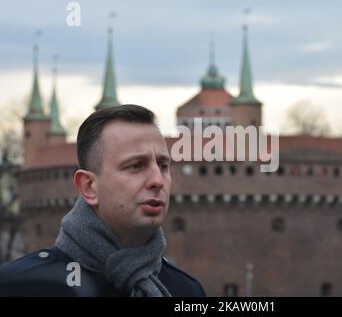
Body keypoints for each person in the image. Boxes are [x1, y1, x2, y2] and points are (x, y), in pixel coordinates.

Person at [0, 104, 206, 297]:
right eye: (135, 165)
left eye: (163, 166)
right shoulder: (21, 286)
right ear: (89, 186)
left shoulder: (185, 290)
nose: (158, 180)